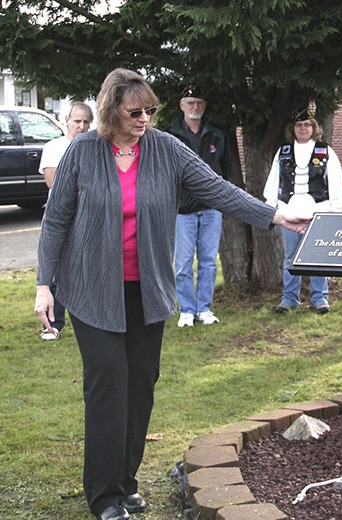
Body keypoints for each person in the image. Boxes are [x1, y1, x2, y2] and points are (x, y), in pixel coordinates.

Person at [33, 68, 309, 520]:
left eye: (151, 111)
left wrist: (276, 216)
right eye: (134, 111)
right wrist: (45, 285)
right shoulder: (82, 152)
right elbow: (56, 221)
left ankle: (125, 483)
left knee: (140, 387)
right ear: (111, 110)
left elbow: (218, 188)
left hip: (147, 290)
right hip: (90, 289)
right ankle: (103, 496)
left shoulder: (166, 149)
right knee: (108, 386)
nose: (145, 118)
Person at [263, 107, 342, 314]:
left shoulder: (325, 151)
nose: (303, 128)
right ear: (293, 129)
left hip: (318, 211)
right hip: (289, 212)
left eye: (307, 124)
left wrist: (334, 211)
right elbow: (274, 180)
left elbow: (335, 181)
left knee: (318, 256)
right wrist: (271, 209)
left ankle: (319, 298)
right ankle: (289, 299)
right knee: (290, 257)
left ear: (314, 128)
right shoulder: (284, 152)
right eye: (299, 125)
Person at [166, 85, 229, 328]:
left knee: (208, 262)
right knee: (182, 263)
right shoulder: (171, 135)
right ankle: (186, 310)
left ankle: (204, 308)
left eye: (199, 103)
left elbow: (226, 170)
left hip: (212, 208)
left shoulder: (216, 135)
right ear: (182, 105)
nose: (195, 107)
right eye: (190, 102)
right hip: (183, 211)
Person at [37, 101, 94, 341]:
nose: (81, 126)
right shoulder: (54, 147)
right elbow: (53, 181)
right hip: (61, 219)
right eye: (77, 121)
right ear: (66, 121)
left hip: (88, 218)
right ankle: (53, 322)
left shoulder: (95, 148)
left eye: (86, 122)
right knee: (56, 269)